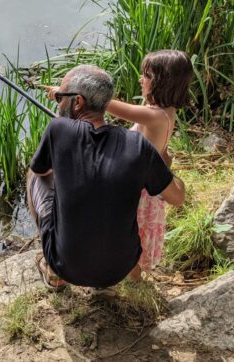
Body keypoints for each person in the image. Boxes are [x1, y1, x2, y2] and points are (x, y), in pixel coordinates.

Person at [27, 64, 185, 291]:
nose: (59, 102)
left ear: (78, 102)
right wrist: (166, 168)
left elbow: (42, 171)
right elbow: (178, 198)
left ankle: (54, 274)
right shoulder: (138, 146)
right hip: (119, 270)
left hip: (67, 266)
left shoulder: (58, 129)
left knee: (34, 172)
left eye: (61, 97)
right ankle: (105, 287)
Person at [105, 50, 194, 279]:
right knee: (134, 236)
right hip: (147, 185)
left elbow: (106, 104)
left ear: (160, 82)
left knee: (132, 236)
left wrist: (70, 94)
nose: (140, 79)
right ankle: (133, 280)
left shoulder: (153, 116)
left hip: (139, 191)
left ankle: (134, 284)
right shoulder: (166, 112)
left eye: (146, 75)